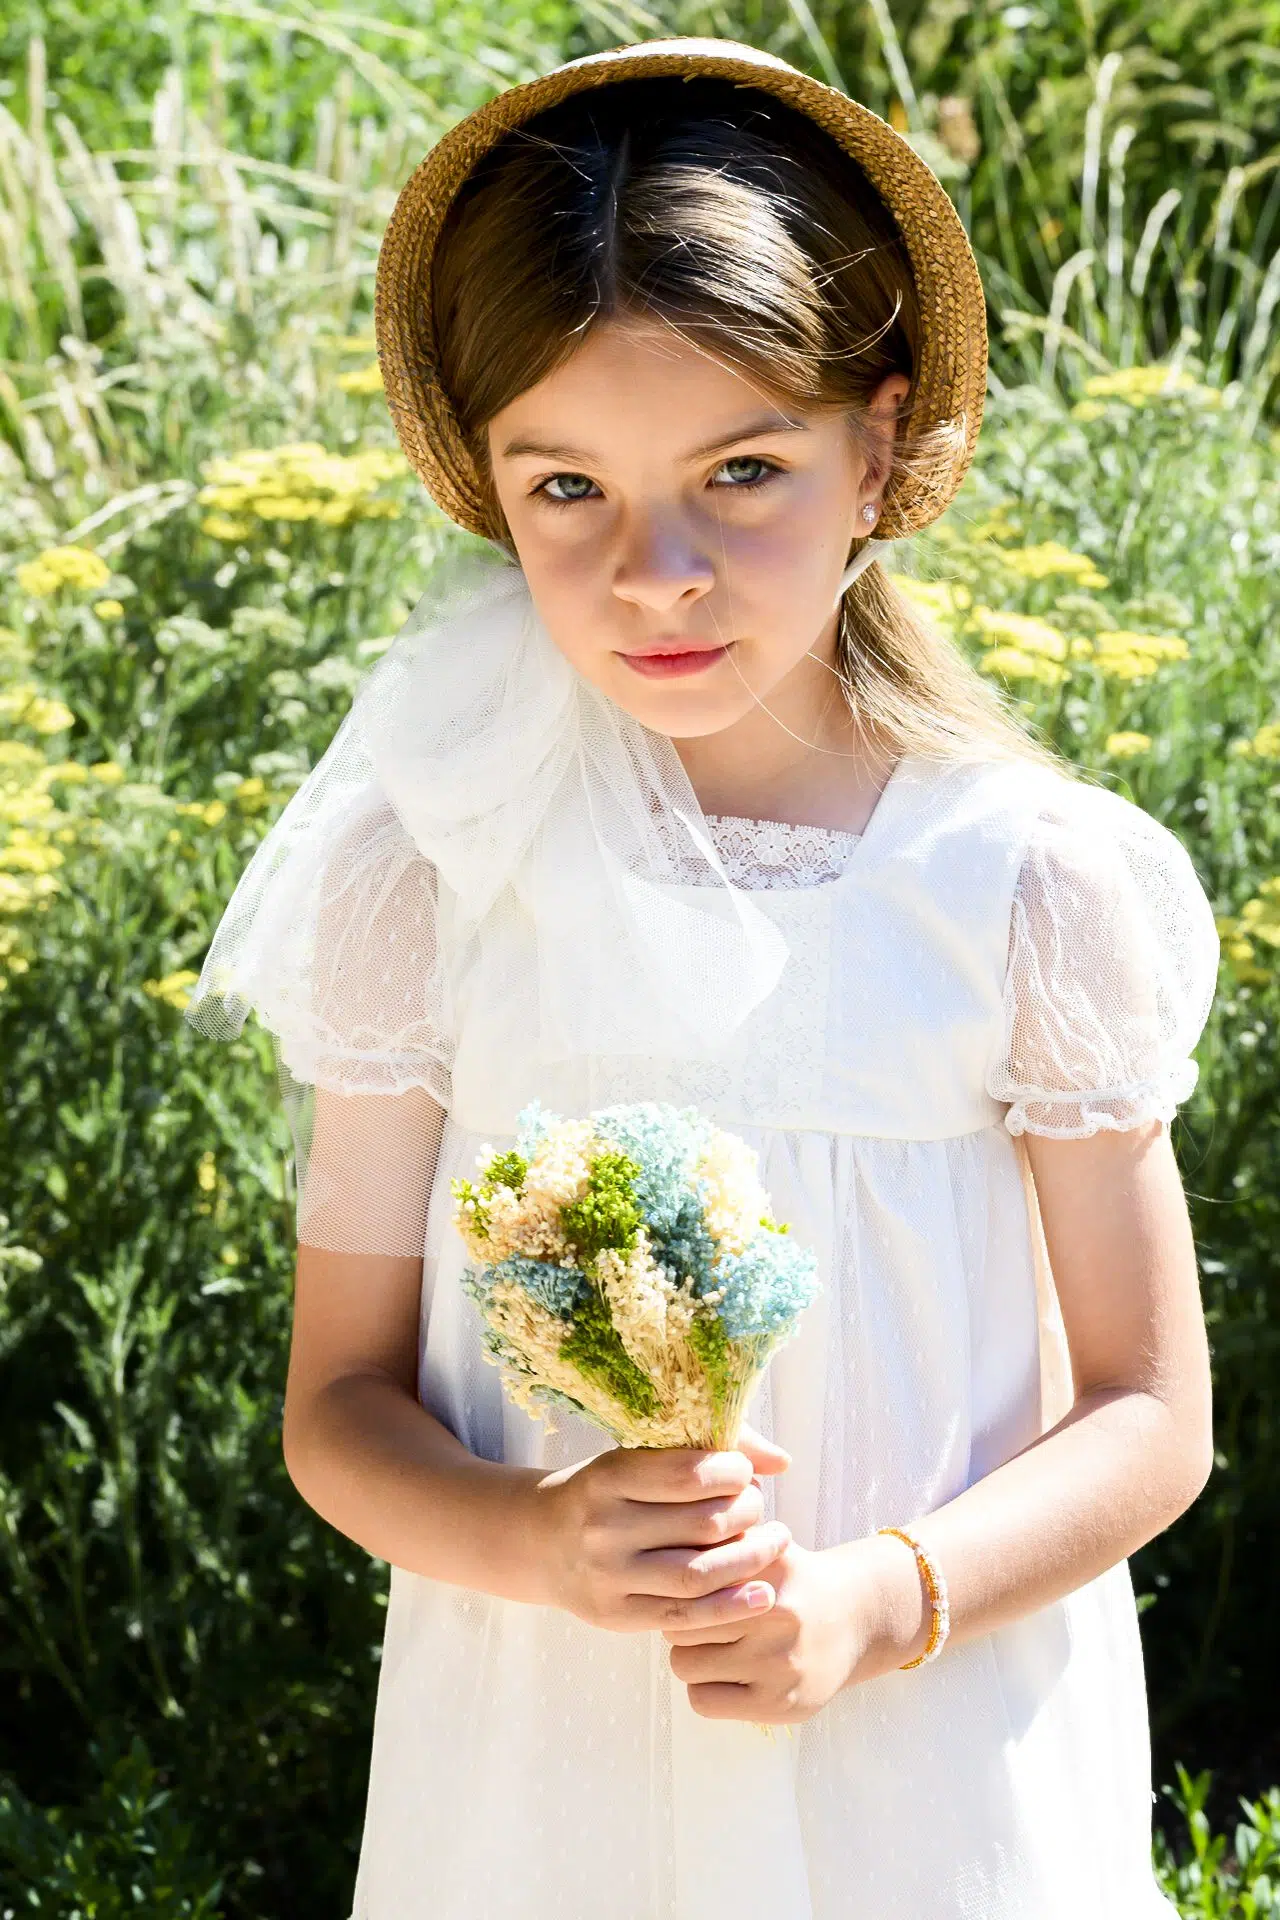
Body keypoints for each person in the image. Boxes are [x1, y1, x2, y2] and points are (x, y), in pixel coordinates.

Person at [184, 38, 1222, 1920]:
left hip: (928, 1759)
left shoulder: (1021, 885)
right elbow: (334, 1405)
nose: (656, 572)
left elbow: (1153, 1413)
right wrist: (545, 1538)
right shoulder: (435, 875)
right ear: (491, 494)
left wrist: (876, 1601)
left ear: (879, 444)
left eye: (742, 470)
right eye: (566, 485)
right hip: (540, 1777)